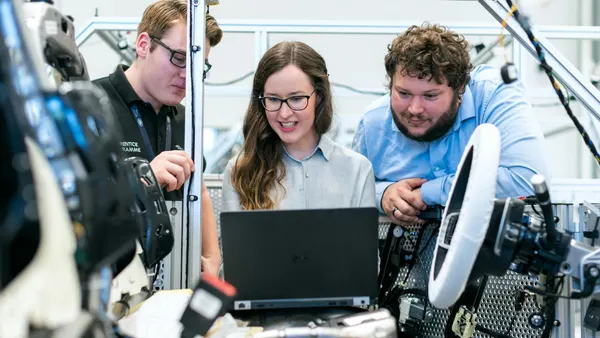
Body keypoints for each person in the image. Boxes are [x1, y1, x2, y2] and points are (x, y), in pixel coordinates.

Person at [352, 23, 550, 225]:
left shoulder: (493, 96)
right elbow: (352, 191)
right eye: (404, 93)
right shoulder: (372, 125)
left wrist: (427, 193)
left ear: (460, 88)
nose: (414, 109)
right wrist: (383, 194)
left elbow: (527, 180)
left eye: (430, 96)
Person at [93, 0, 223, 276]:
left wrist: (211, 257)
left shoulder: (185, 119)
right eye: (179, 58)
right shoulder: (91, 107)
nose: (187, 75)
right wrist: (144, 179)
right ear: (143, 45)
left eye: (199, 66)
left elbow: (198, 191)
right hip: (111, 278)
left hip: (174, 279)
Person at [222, 41, 375, 211]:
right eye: (273, 99)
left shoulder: (357, 170)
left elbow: (361, 238)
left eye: (296, 99)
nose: (284, 113)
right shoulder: (240, 172)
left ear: (319, 97)